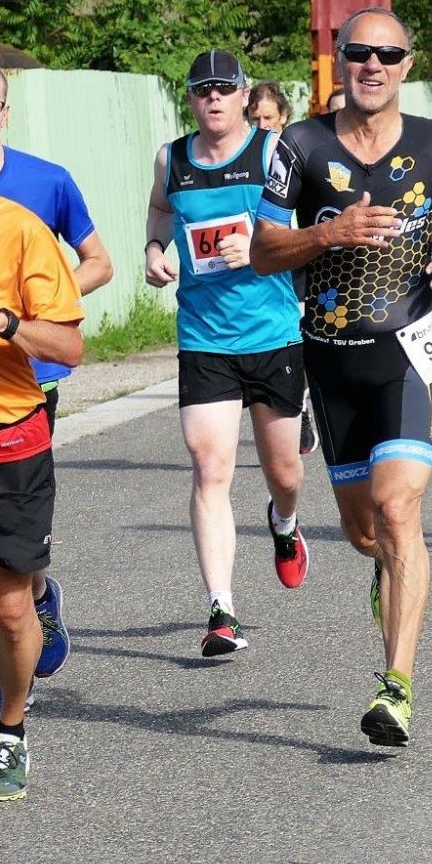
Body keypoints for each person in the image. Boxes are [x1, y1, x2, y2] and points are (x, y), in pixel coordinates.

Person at [251, 8, 432, 746]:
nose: (373, 65)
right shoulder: (299, 145)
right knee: (365, 534)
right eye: (360, 51)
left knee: (396, 512)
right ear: (340, 58)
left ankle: (396, 687)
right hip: (330, 360)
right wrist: (328, 232)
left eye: (388, 55)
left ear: (406, 64)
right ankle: (386, 573)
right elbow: (262, 251)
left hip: (405, 354)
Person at [145, 50, 309, 660]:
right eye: (201, 89)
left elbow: (308, 232)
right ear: (190, 98)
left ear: (244, 95)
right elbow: (160, 210)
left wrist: (263, 249)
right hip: (204, 338)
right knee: (209, 468)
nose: (213, 98)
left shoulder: (273, 152)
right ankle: (221, 609)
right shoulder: (171, 159)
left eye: (223, 88)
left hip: (273, 335)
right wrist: (153, 250)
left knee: (285, 475)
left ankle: (284, 523)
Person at [0, 67, 112, 687]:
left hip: (30, 374)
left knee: (18, 522)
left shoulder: (47, 181)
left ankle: (35, 596)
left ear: (5, 111)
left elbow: (99, 262)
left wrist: (40, 308)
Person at [0, 203, 84, 801]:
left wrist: (7, 323)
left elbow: (69, 347)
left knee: (9, 610)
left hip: (11, 441)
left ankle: (10, 728)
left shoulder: (21, 230)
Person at [247, 81, 320, 456]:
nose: (262, 126)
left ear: (284, 118)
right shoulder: (243, 159)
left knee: (300, 338)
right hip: (260, 262)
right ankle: (283, 408)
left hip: (297, 259)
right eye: (255, 118)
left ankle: (300, 402)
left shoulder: (297, 152)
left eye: (269, 118)